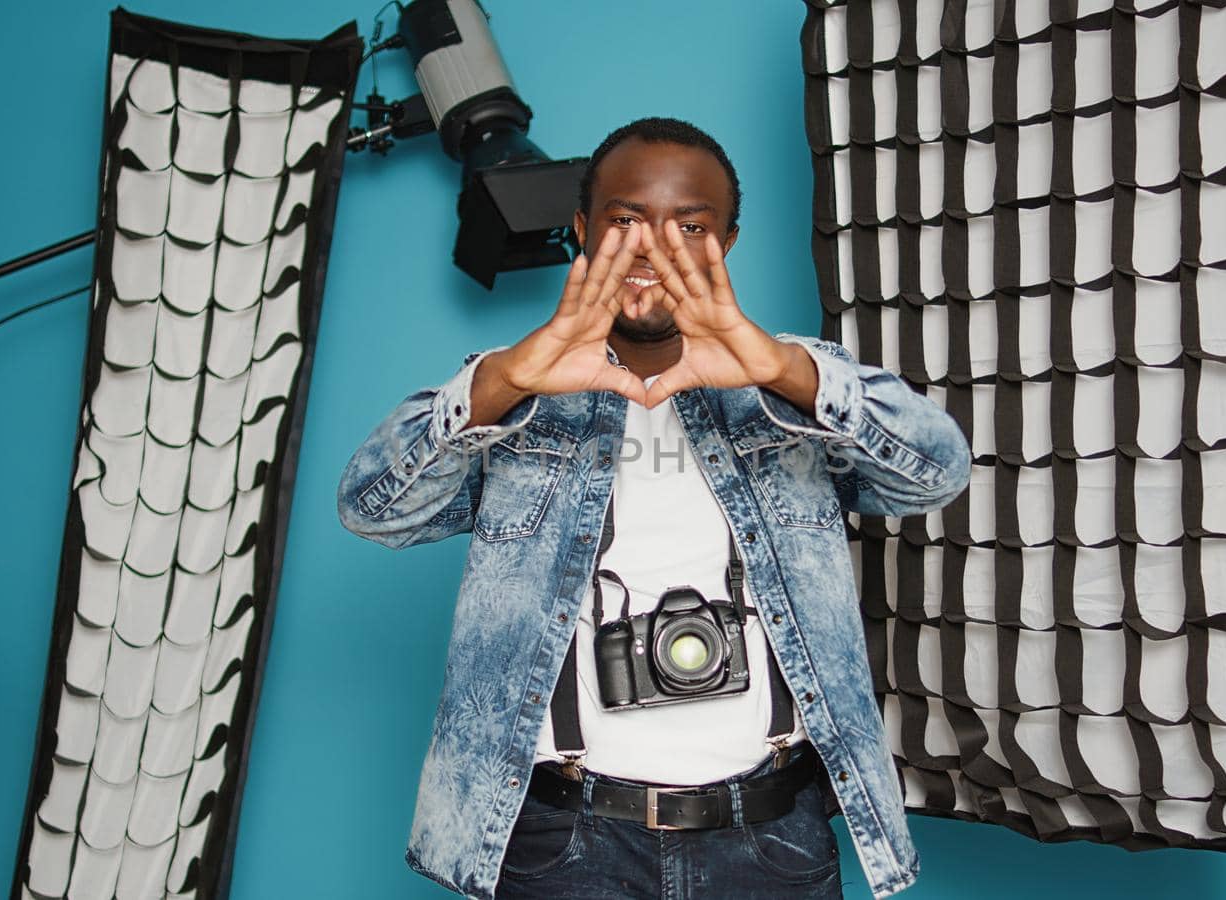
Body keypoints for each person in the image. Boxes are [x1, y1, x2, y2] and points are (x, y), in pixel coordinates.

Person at [338, 117, 971, 900]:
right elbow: (372, 508)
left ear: (727, 244)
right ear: (582, 231)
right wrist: (506, 378)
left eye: (690, 226)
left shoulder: (792, 387)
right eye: (626, 220)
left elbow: (937, 473)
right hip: (563, 841)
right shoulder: (518, 393)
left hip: (769, 836)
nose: (652, 249)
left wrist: (778, 367)